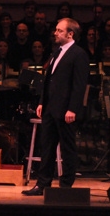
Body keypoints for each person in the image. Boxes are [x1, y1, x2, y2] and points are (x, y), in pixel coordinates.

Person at [22, 18, 90, 196]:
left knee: (67, 148)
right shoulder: (56, 52)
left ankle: (65, 185)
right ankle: (42, 184)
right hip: (51, 107)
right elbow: (48, 80)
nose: (55, 33)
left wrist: (73, 108)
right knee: (47, 147)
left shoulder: (78, 54)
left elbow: (79, 84)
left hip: (66, 109)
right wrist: (42, 102)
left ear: (70, 34)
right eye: (56, 30)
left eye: (60, 31)